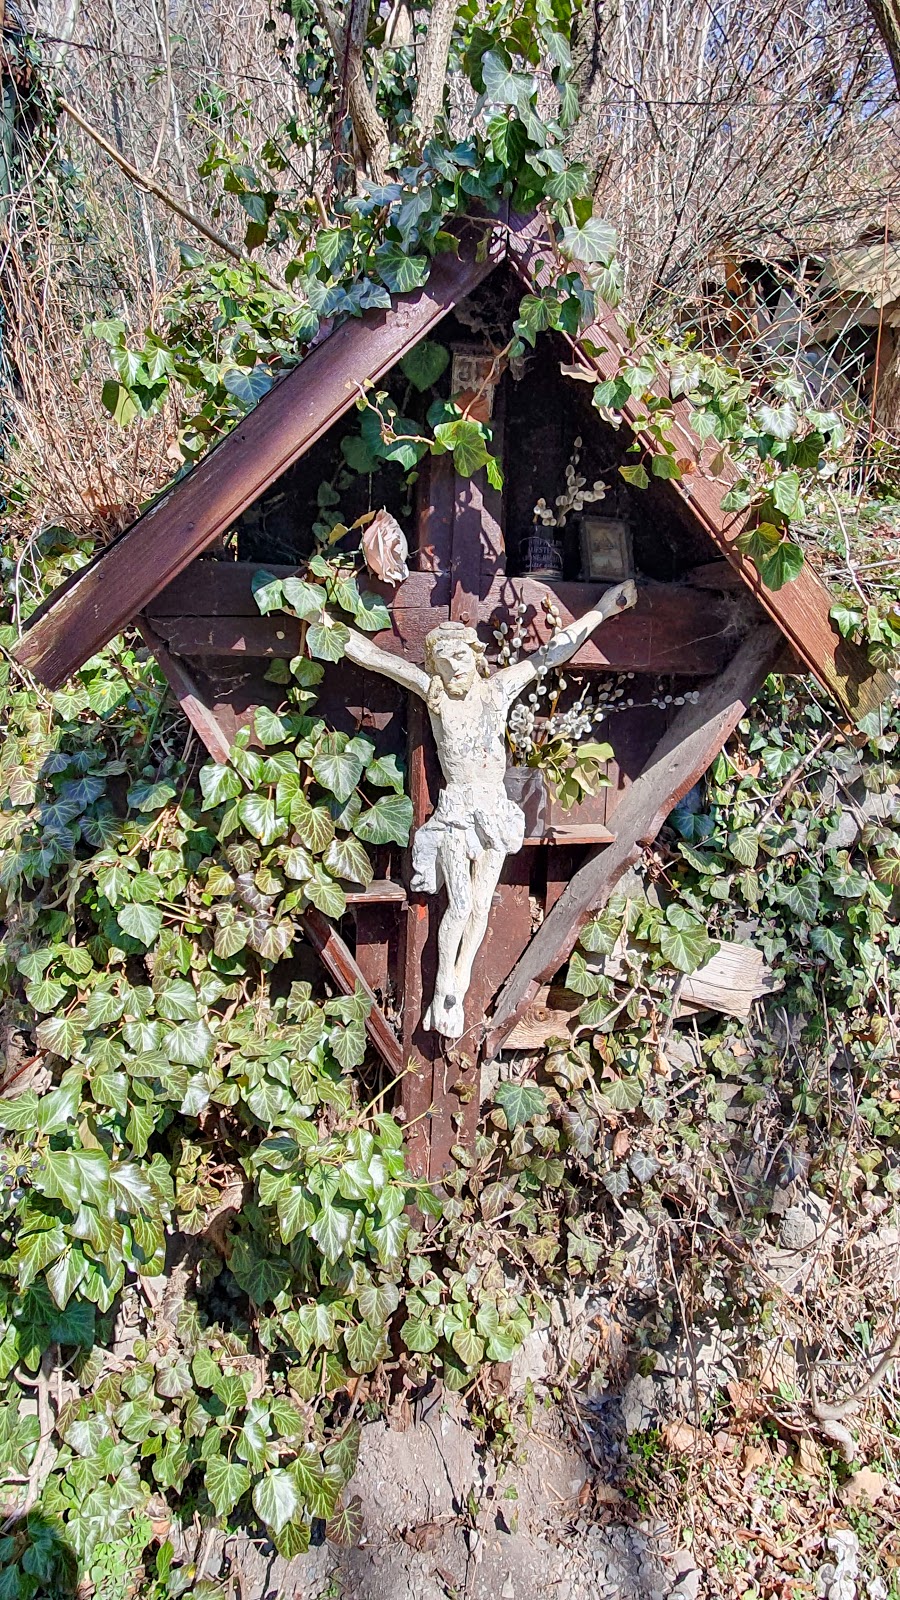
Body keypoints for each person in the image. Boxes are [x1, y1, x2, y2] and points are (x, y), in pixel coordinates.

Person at [341, 579, 636, 1039]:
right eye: (443, 661)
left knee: (480, 905)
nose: (453, 667)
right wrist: (318, 618)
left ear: (475, 657)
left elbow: (551, 653)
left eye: (460, 657)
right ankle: (442, 988)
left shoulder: (497, 690)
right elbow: (375, 657)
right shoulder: (435, 695)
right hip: (457, 812)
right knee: (458, 904)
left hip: (494, 810)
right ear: (434, 667)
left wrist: (602, 610)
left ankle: (457, 990)